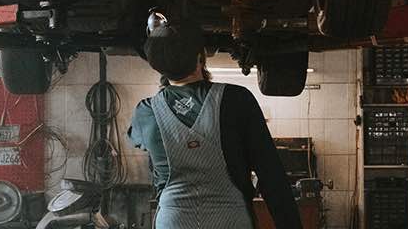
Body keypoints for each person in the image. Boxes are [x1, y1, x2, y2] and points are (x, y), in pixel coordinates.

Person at [128, 20, 302, 229]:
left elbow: (142, 143)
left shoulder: (146, 112)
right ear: (201, 57)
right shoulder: (236, 99)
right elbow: (270, 174)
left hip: (174, 221)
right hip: (230, 219)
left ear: (157, 67)